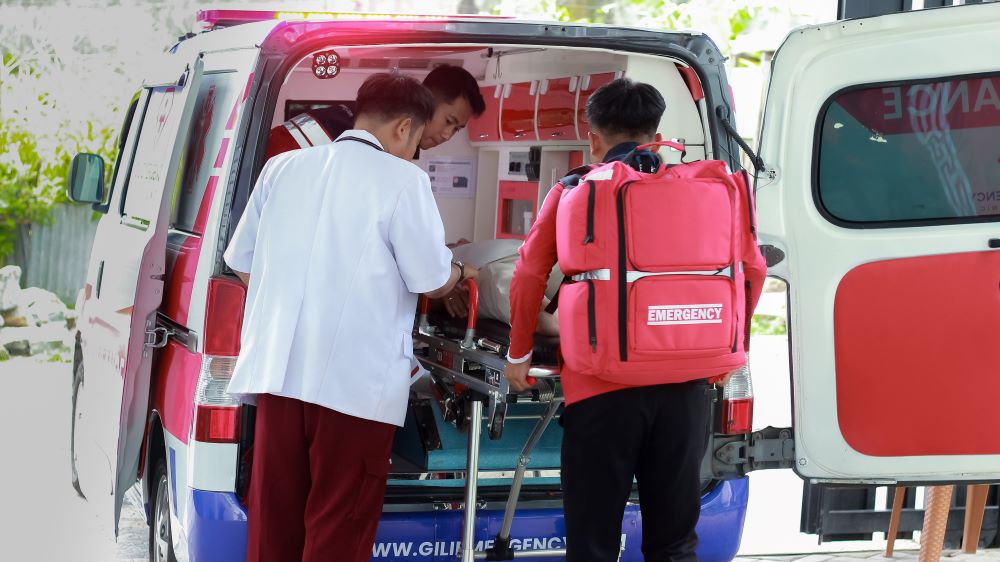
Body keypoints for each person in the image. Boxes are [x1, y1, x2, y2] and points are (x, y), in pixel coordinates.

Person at [224, 72, 478, 562]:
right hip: (353, 388)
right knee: (339, 525)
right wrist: (464, 271)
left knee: (274, 520)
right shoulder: (404, 180)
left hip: (277, 376)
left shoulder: (284, 167)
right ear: (405, 128)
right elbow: (430, 278)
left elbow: (241, 262)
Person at [503, 78, 755, 562]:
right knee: (676, 541)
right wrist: (730, 351)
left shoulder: (574, 189)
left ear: (593, 137)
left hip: (602, 390)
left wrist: (519, 354)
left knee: (594, 543)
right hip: (686, 386)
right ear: (656, 129)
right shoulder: (712, 188)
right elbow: (752, 270)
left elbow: (530, 272)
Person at [264, 64, 486, 160]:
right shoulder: (326, 134)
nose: (447, 135)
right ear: (426, 97)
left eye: (456, 129)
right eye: (449, 121)